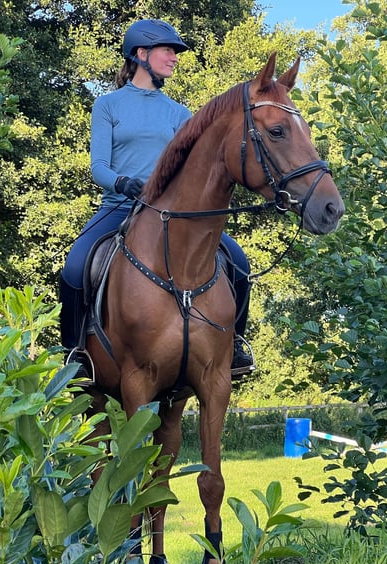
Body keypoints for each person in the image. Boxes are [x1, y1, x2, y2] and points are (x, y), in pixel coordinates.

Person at [59, 19, 255, 377]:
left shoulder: (181, 114)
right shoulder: (108, 105)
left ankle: (235, 346)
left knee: (239, 262)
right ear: (141, 54)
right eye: (169, 50)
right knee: (75, 266)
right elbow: (99, 166)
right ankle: (75, 354)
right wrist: (123, 183)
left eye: (175, 52)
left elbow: (193, 170)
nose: (175, 58)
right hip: (118, 206)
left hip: (171, 216)